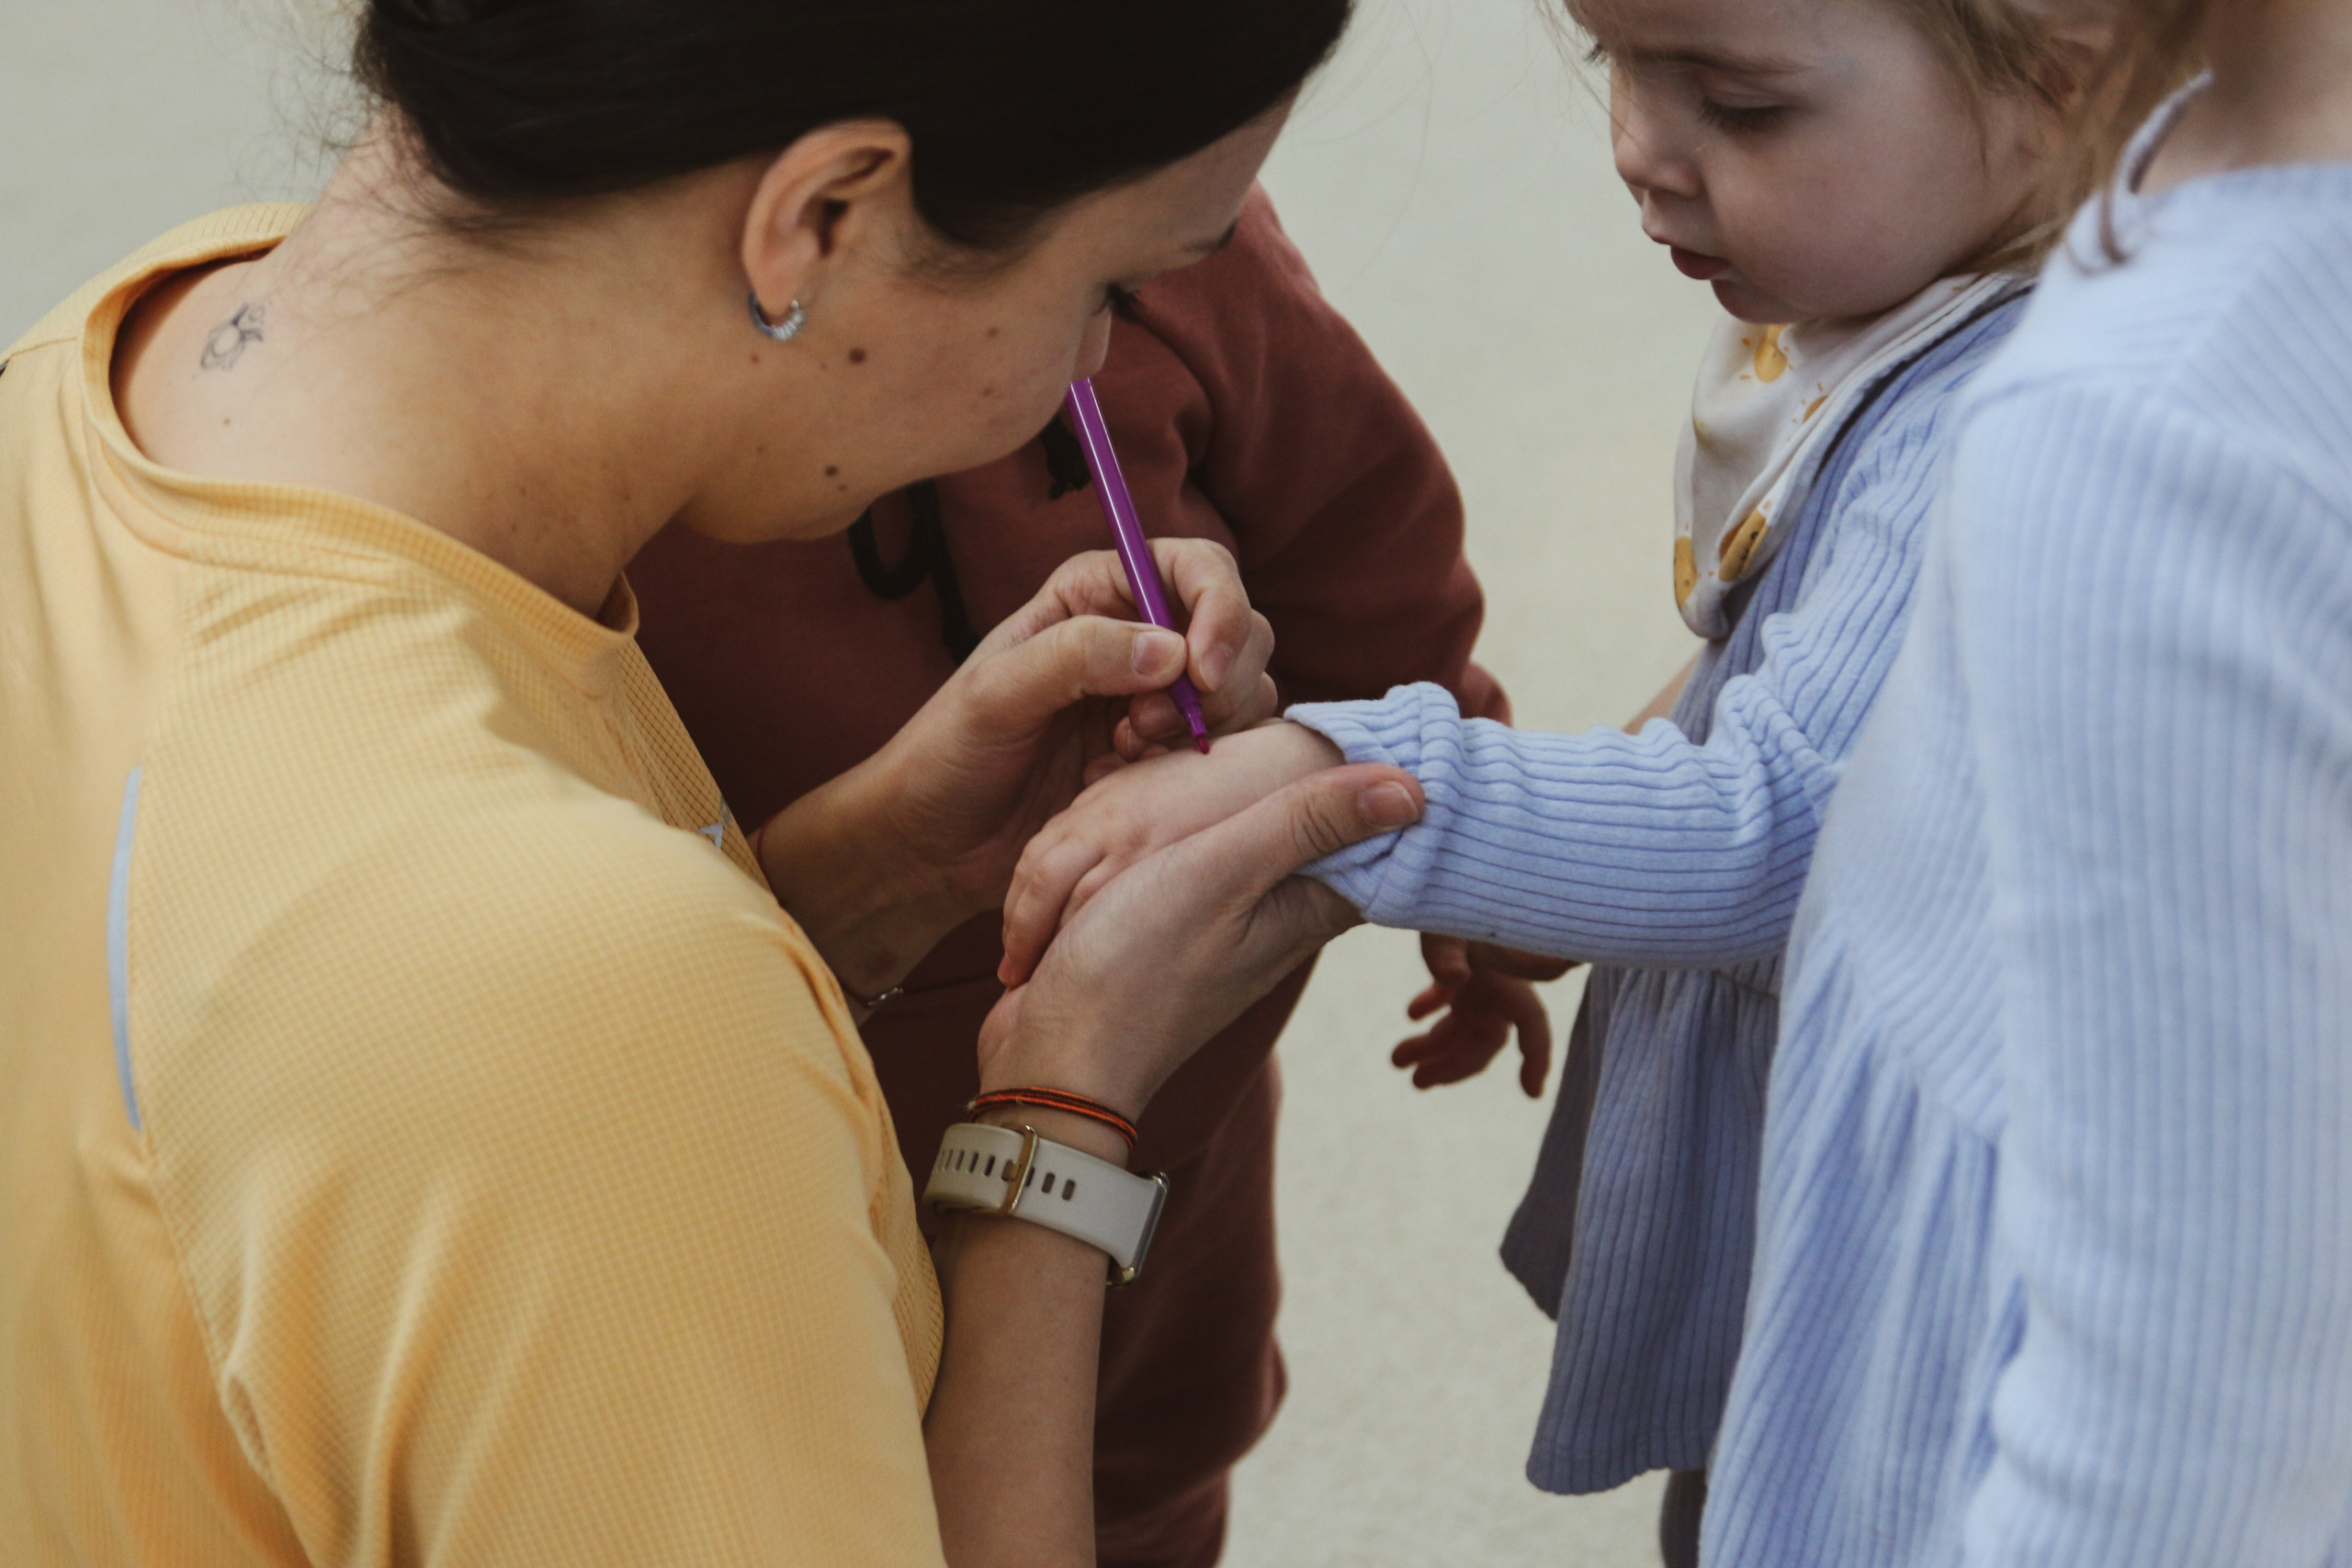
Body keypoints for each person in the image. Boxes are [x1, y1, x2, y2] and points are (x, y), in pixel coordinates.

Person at [0, 4, 1435, 1565]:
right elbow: (528, 1042)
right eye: (1112, 286)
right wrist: (1063, 1107)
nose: (1092, 363)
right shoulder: (571, 993)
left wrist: (874, 880)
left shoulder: (80, 390)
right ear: (820, 218)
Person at [1000, 1, 2078, 1561]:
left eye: (1740, 103)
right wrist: (1536, 846)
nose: (1640, 148)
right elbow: (1783, 692)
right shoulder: (1915, 296)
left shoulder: (1990, 428)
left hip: (1899, 1324)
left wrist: (1354, 778)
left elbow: (1779, 825)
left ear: (2077, 72)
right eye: (1612, 64)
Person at [626, 186, 1513, 1568]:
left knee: (1141, 1469)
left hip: (1169, 1128)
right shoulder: (602, 424)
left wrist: (1466, 815)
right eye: (1088, 290)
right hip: (778, 1203)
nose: (1107, 340)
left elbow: (1363, 543)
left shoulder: (1158, 216)